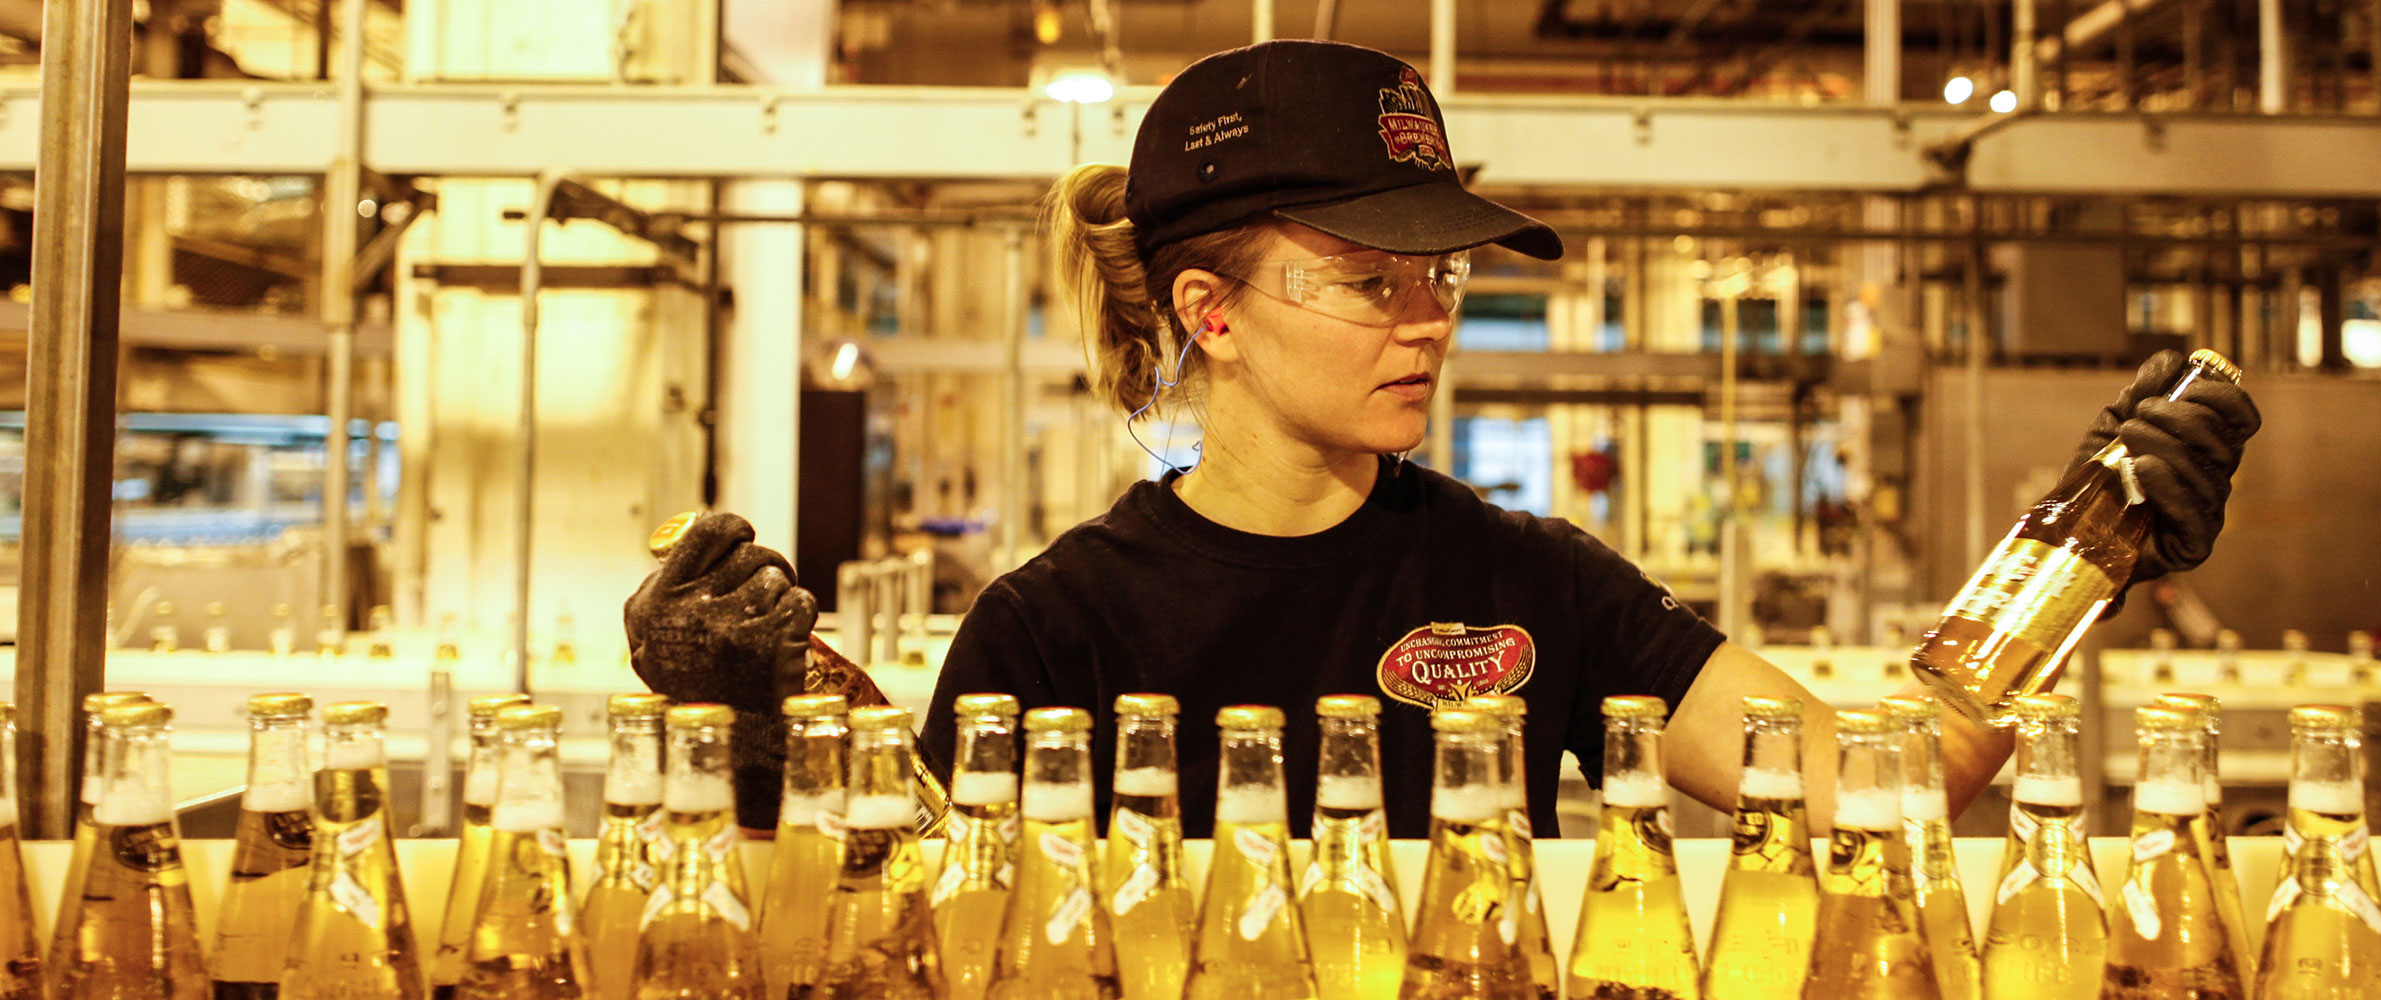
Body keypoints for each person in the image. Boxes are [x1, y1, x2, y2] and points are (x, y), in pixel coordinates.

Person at [623, 39, 2260, 838]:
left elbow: (1882, 785)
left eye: (1441, 275)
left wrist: (2079, 557)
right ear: (1211, 311)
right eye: (1364, 278)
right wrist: (760, 734)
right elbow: (913, 913)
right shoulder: (1059, 625)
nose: (1428, 316)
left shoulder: (1529, 579)